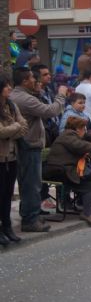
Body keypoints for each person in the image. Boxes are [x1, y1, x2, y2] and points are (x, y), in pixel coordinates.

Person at [11, 67, 67, 232]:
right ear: (24, 81)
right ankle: (30, 219)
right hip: (29, 146)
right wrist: (61, 94)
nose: (36, 80)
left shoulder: (23, 96)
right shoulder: (24, 99)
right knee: (31, 184)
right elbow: (50, 111)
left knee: (29, 183)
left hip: (28, 145)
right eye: (32, 78)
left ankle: (30, 214)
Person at [44, 116, 91, 226]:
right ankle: (87, 213)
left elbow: (77, 149)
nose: (85, 130)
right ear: (78, 128)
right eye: (84, 128)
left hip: (64, 169)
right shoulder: (68, 135)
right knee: (90, 181)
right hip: (58, 171)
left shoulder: (69, 135)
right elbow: (81, 146)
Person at [0, 74, 28, 245]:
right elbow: (1, 132)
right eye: (6, 86)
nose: (9, 89)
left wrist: (13, 128)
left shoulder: (11, 105)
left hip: (12, 156)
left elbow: (24, 126)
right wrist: (15, 127)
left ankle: (7, 226)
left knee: (8, 193)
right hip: (0, 158)